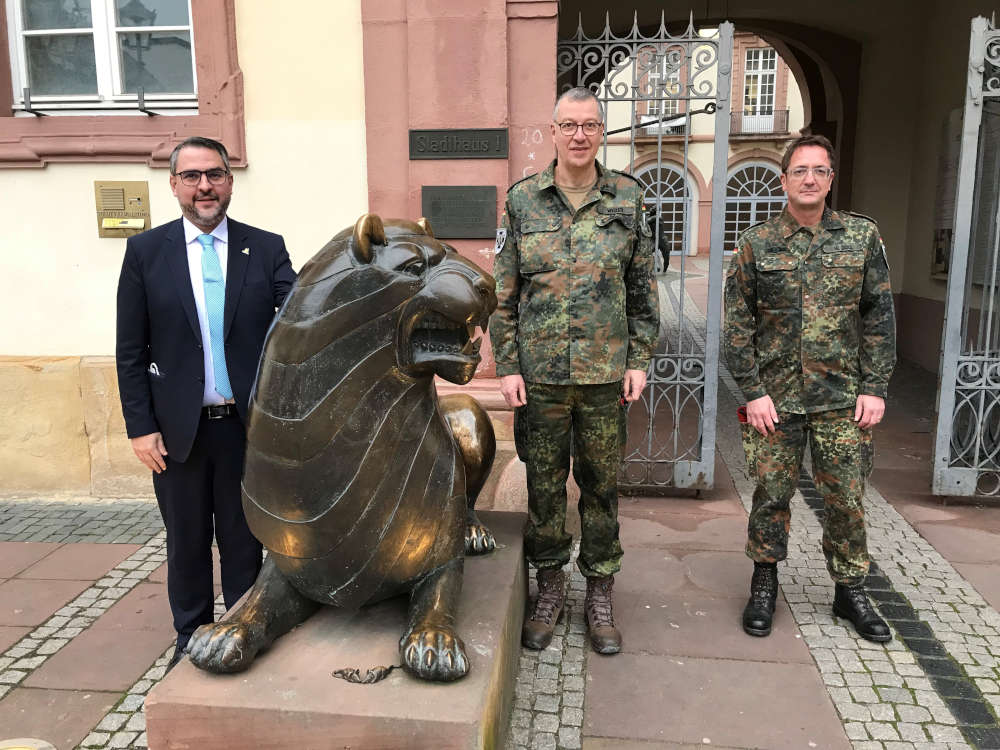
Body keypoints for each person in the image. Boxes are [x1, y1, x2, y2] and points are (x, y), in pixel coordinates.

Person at [490, 87, 660, 655]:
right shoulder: (522, 203)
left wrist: (639, 359)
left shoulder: (629, 200)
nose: (580, 135)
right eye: (570, 125)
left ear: (601, 131)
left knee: (601, 487)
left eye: (590, 125)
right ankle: (550, 585)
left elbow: (642, 291)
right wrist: (507, 367)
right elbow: (504, 296)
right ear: (554, 131)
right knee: (543, 487)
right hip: (539, 380)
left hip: (605, 378)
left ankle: (601, 590)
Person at [116, 136, 296, 669]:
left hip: (246, 428)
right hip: (177, 431)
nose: (204, 186)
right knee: (187, 541)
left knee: (244, 541)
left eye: (214, 174)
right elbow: (131, 350)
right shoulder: (145, 253)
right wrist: (140, 427)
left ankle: (244, 629)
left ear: (230, 181)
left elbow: (298, 314)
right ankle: (188, 635)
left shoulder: (265, 248)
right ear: (174, 184)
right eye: (192, 176)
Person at [724, 134, 896, 642]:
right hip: (774, 401)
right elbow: (737, 324)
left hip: (841, 399)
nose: (809, 179)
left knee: (845, 497)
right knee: (771, 494)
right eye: (800, 170)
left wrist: (876, 387)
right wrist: (752, 391)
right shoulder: (757, 243)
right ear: (784, 179)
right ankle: (764, 582)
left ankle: (850, 590)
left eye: (819, 171)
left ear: (830, 179)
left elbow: (879, 316)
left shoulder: (860, 238)